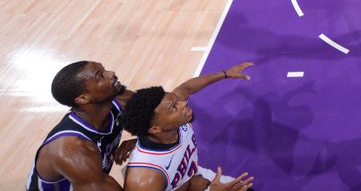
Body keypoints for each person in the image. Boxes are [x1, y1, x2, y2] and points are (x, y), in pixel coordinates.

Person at [123, 62, 255, 190]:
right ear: (155, 129)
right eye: (174, 108)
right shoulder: (144, 179)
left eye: (177, 100)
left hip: (196, 177)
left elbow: (186, 88)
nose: (183, 103)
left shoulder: (168, 125)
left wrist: (225, 74)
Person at [27, 61, 136, 190]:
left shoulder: (122, 100)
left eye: (104, 70)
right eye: (100, 76)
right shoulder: (72, 150)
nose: (111, 74)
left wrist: (143, 142)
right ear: (83, 98)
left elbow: (163, 115)